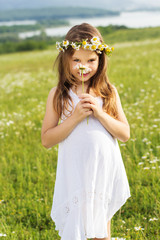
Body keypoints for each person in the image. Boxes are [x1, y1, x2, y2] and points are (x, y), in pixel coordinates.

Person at [41, 23, 131, 240]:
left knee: (101, 229)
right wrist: (75, 118)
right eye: (77, 61)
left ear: (100, 60)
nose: (84, 67)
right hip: (76, 171)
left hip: (103, 168)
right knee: (77, 227)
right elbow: (47, 139)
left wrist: (99, 114)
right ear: (66, 61)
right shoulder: (59, 95)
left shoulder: (108, 92)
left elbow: (124, 133)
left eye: (91, 60)